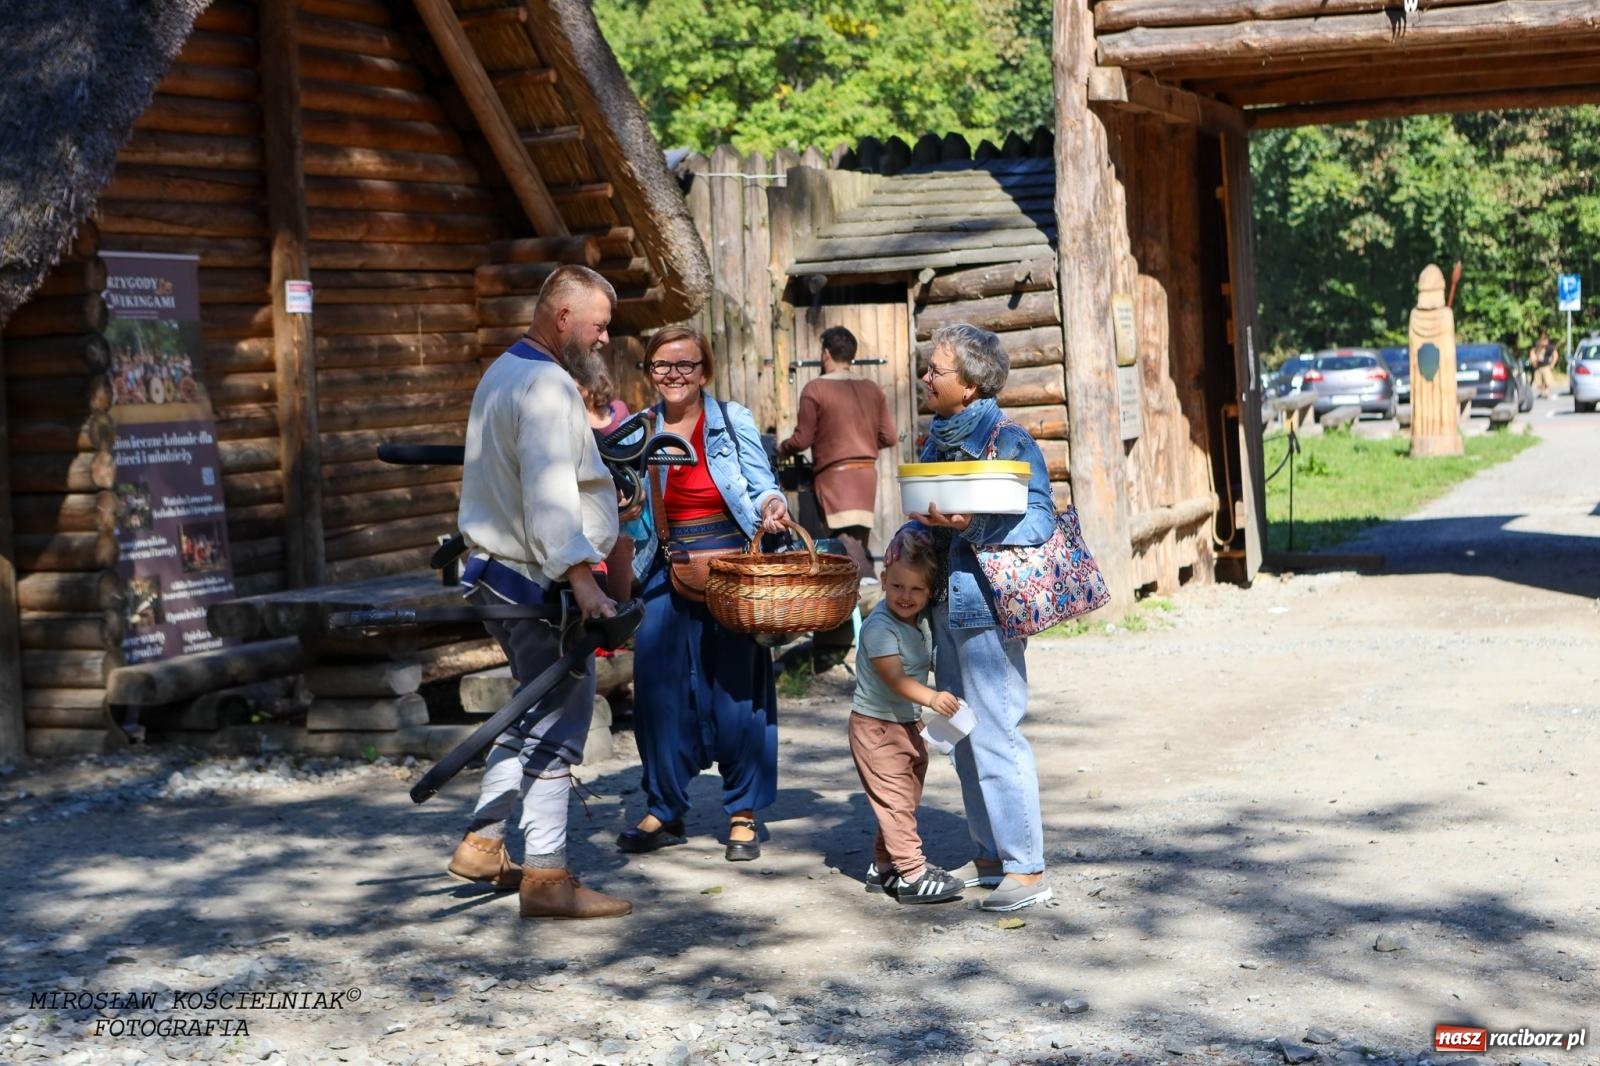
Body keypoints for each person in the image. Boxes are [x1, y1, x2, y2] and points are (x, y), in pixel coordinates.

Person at [445, 263, 631, 920]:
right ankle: (547, 877)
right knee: (559, 723)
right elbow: (549, 496)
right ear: (563, 320)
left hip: (500, 573)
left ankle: (484, 844)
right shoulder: (549, 386)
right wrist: (586, 585)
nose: (604, 339)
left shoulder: (506, 370)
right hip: (536, 584)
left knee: (531, 713)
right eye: (599, 326)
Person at [616, 325, 790, 862]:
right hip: (662, 566)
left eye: (685, 365)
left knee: (737, 690)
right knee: (658, 692)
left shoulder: (730, 420)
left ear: (704, 372)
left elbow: (761, 484)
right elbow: (614, 500)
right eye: (662, 365)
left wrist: (772, 505)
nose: (673, 375)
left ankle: (742, 811)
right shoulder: (634, 431)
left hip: (733, 566)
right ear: (649, 372)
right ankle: (665, 807)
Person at [906, 322, 1056, 913]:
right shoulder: (936, 439)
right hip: (944, 602)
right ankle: (991, 855)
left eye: (935, 370)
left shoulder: (1009, 439)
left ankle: (1028, 868)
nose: (925, 377)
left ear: (968, 385)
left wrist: (975, 526)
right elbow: (928, 514)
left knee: (996, 731)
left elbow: (1040, 520)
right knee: (961, 733)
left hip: (988, 604)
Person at [850, 528, 965, 904]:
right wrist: (932, 698)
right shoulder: (879, 628)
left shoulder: (921, 621)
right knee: (896, 800)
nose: (905, 596)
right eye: (897, 586)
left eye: (916, 590)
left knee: (905, 797)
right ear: (883, 580)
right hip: (876, 727)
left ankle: (884, 865)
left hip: (906, 724)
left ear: (929, 592)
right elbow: (895, 677)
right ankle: (913, 873)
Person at [778, 326, 898, 575]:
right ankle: (860, 604)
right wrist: (862, 445)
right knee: (857, 542)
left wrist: (782, 449)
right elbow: (890, 436)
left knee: (846, 545)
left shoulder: (815, 389)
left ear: (826, 353)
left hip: (835, 479)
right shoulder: (872, 389)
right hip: (866, 477)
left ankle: (872, 594)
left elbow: (802, 440)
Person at [579, 366, 638, 605]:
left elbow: (631, 458)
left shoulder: (619, 411)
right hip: (592, 509)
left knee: (619, 592)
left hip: (623, 509)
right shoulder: (571, 417)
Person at [1529, 330, 1557, 400]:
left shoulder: (1550, 347)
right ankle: (1542, 393)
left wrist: (1552, 364)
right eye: (1543, 340)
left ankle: (1547, 392)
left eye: (1546, 340)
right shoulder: (1537, 347)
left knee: (1547, 381)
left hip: (1546, 366)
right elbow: (1532, 353)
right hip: (1538, 367)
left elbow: (1555, 355)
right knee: (1539, 382)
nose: (1545, 341)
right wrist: (1533, 361)